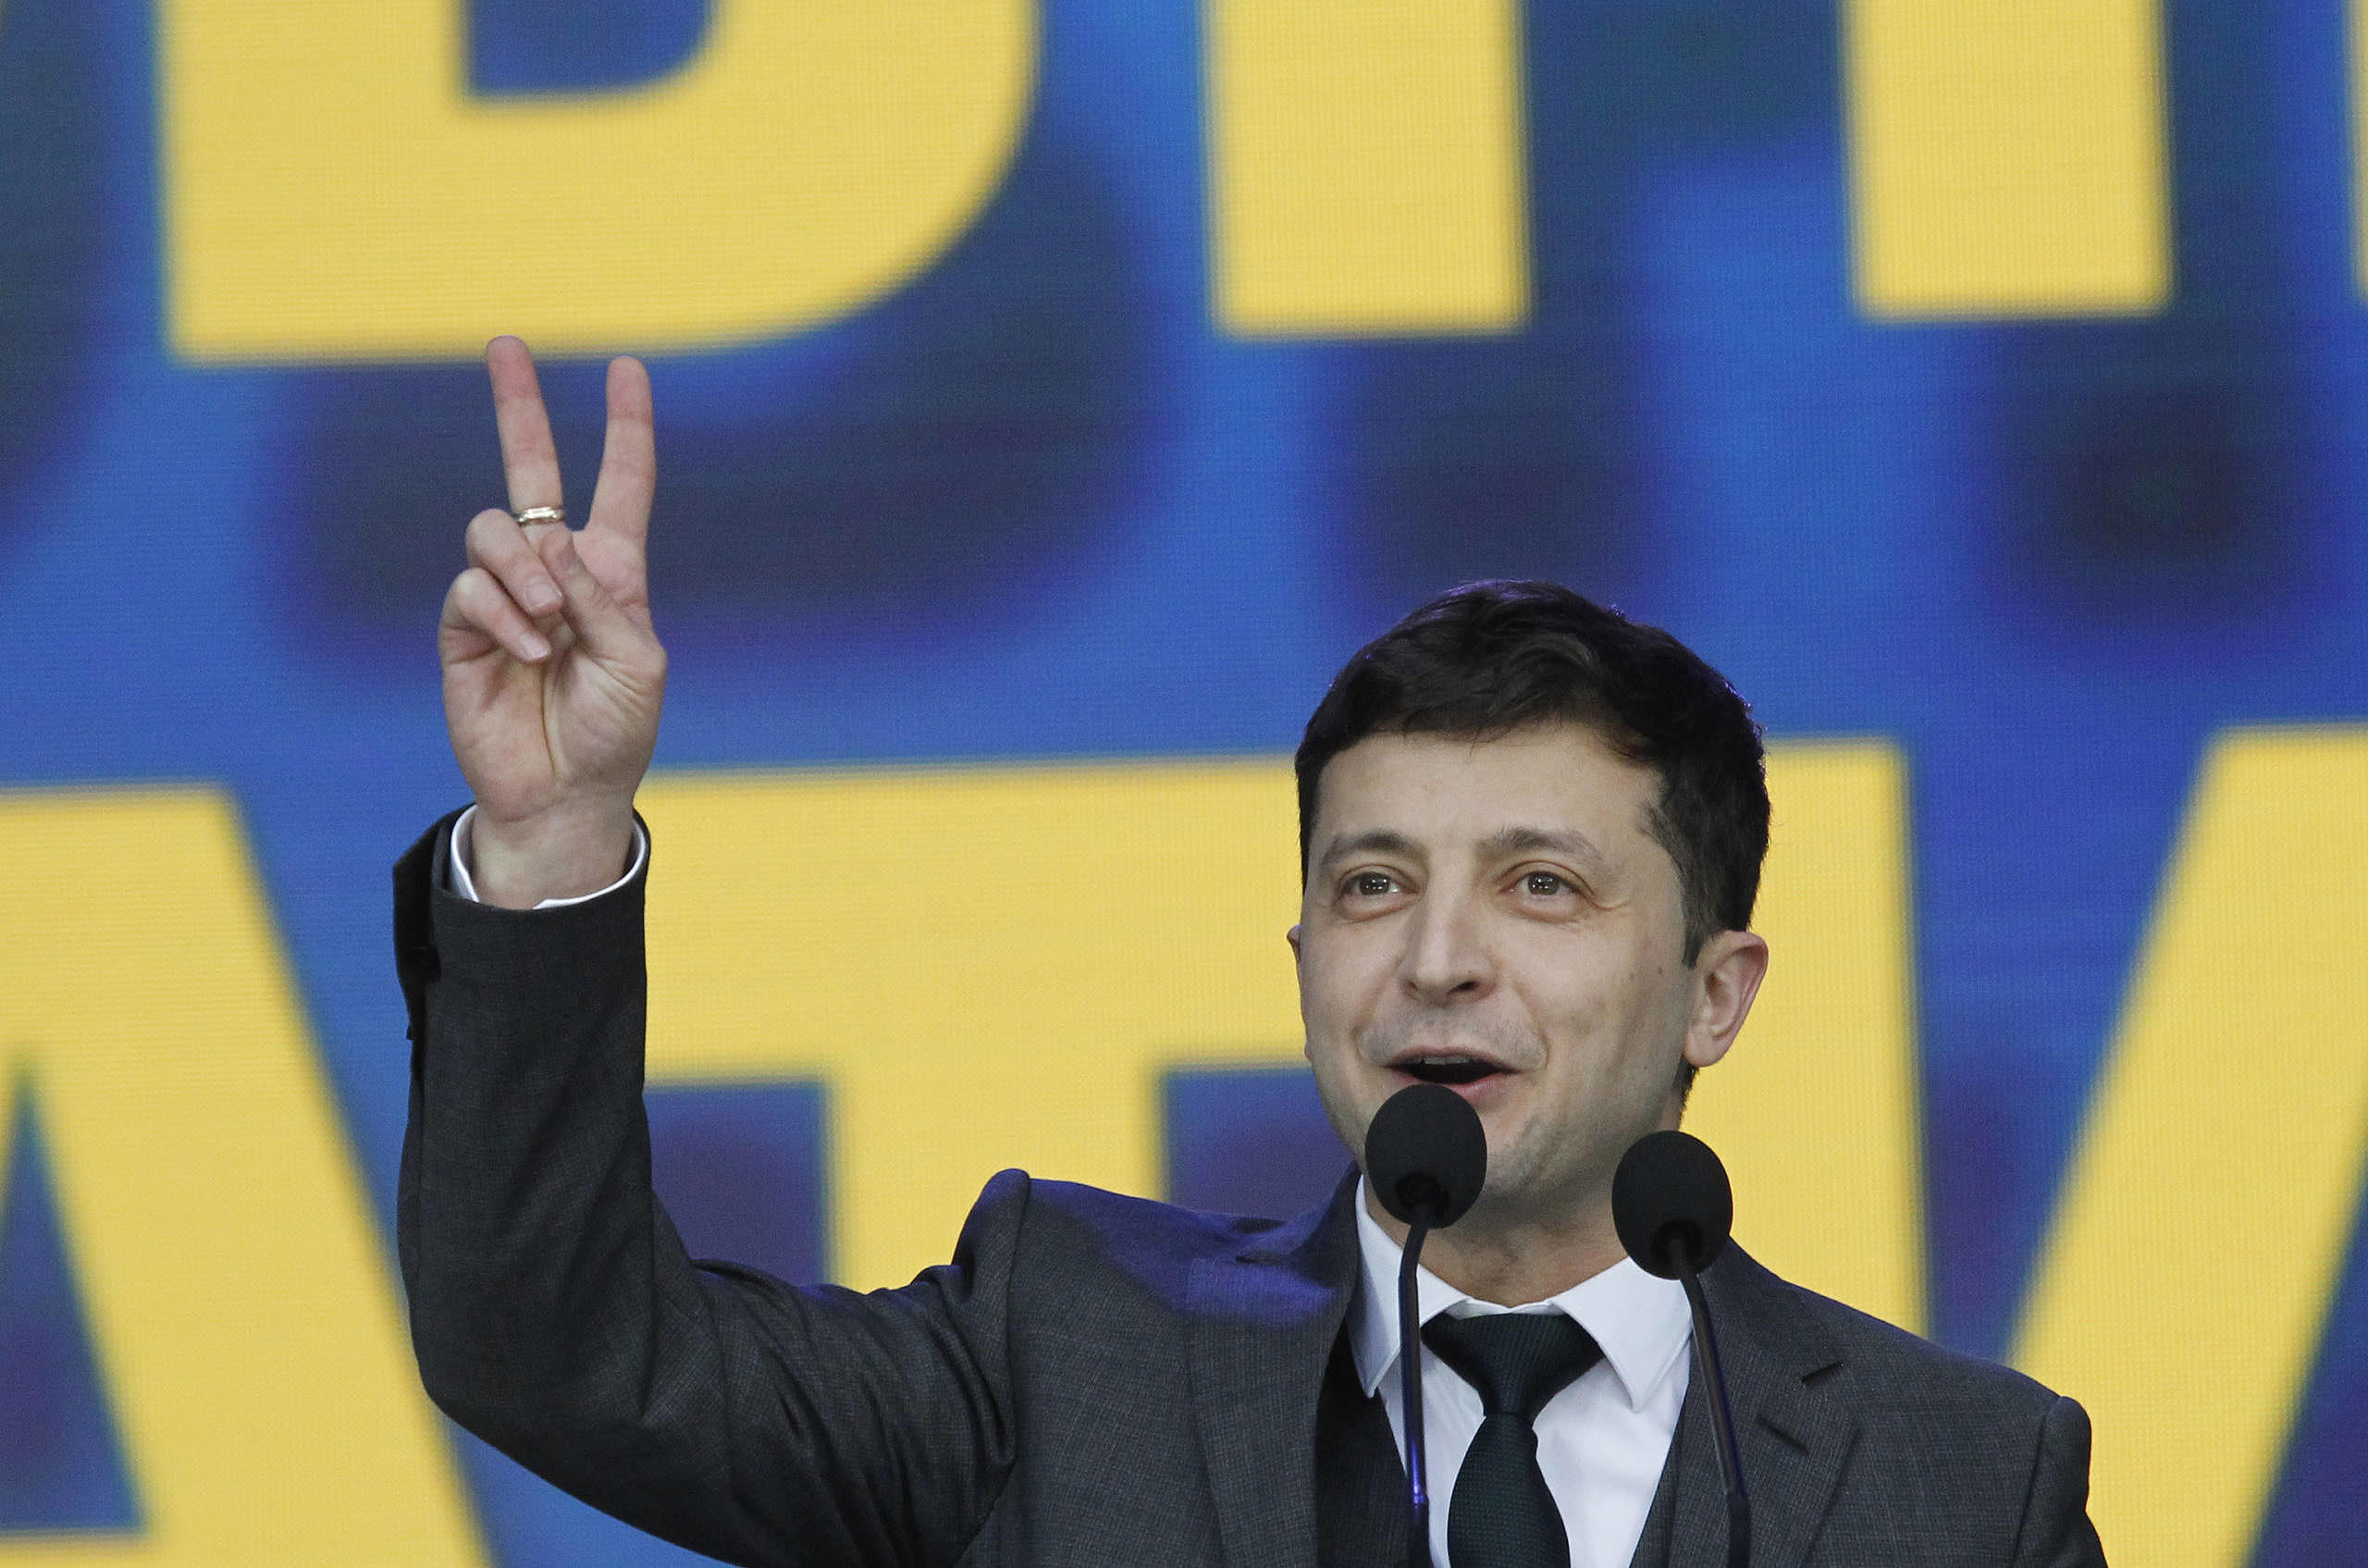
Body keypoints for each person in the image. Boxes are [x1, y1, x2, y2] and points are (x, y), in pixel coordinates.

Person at [396, 338, 2105, 1566]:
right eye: (1372, 886)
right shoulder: (1063, 1357)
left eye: (1540, 886)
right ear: (1301, 958)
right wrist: (551, 844)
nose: (1436, 959)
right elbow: (560, 1354)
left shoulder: (1960, 1482)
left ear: (1714, 995)